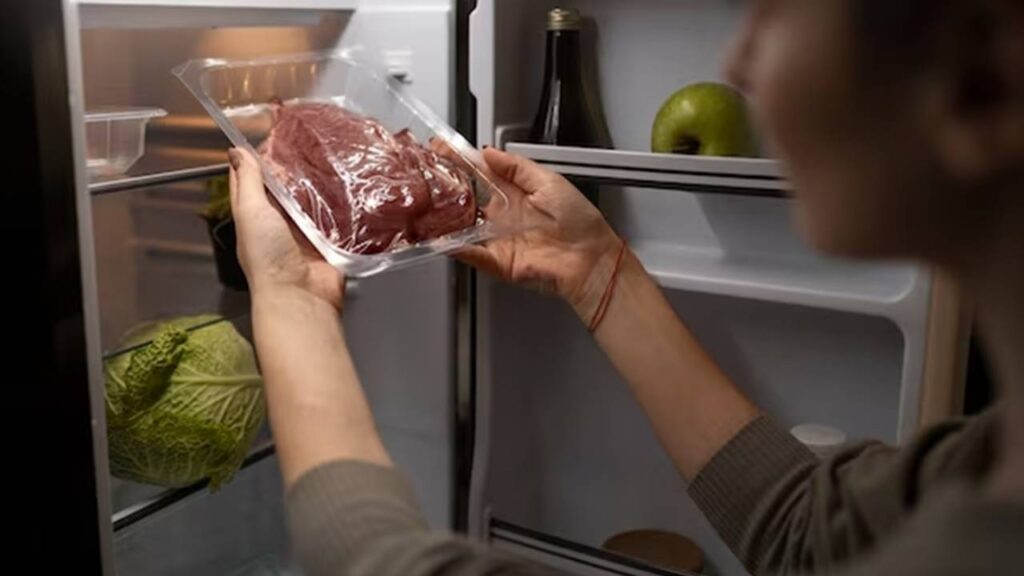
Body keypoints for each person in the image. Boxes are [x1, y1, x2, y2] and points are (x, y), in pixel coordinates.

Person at [226, 0, 1024, 574]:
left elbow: (387, 564)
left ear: (984, 72)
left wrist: (291, 301)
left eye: (775, 10)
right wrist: (600, 275)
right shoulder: (982, 465)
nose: (738, 62)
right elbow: (804, 532)